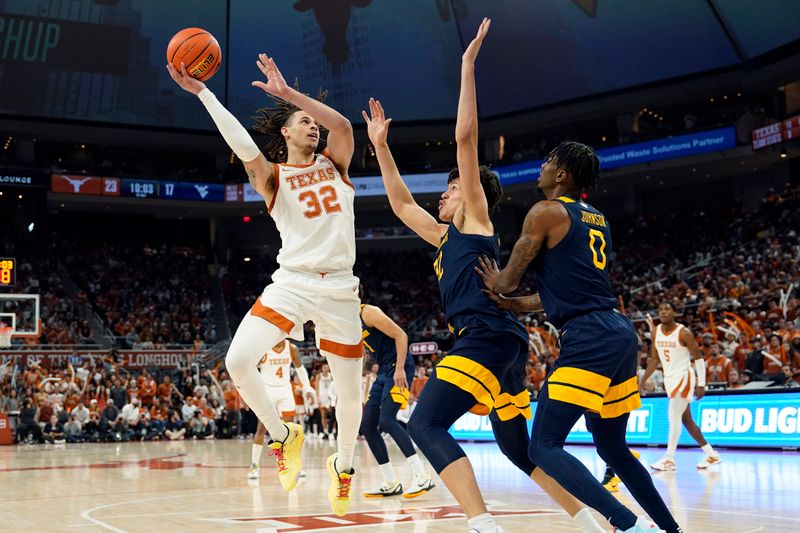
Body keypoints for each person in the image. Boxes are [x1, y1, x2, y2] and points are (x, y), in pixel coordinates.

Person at [364, 19, 606, 533]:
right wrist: (381, 146)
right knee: (519, 449)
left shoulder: (476, 218)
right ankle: (588, 519)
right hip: (504, 341)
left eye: (450, 190)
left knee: (426, 424)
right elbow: (402, 202)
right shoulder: (443, 235)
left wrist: (467, 66)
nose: (443, 197)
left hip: (487, 337)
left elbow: (466, 138)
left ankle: (481, 524)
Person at [168, 51, 363, 515]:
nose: (313, 127)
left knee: (351, 398)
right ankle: (281, 434)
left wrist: (289, 94)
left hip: (340, 287)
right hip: (292, 283)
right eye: (302, 121)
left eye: (313, 122)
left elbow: (345, 129)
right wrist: (204, 94)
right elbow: (242, 145)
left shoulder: (337, 165)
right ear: (285, 133)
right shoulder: (272, 178)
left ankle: (345, 465)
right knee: (237, 360)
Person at [476, 141, 680, 531]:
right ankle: (672, 530)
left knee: (543, 446)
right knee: (613, 448)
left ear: (562, 174)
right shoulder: (596, 217)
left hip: (588, 336)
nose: (541, 167)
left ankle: (625, 523)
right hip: (619, 331)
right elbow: (569, 288)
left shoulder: (545, 212)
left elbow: (509, 279)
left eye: (548, 162)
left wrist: (497, 284)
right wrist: (519, 306)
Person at [359, 301, 434, 499]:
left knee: (387, 420)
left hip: (398, 367)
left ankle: (421, 476)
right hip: (383, 370)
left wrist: (400, 369)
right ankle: (390, 481)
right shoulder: (349, 321)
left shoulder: (368, 312)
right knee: (367, 425)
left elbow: (401, 335)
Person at [641, 303, 721, 471]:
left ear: (674, 312)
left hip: (684, 377)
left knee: (673, 416)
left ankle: (669, 458)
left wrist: (701, 383)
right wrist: (642, 380)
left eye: (667, 309)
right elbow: (655, 359)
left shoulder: (684, 333)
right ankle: (711, 454)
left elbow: (698, 358)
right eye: (660, 310)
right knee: (686, 420)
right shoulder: (656, 332)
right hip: (670, 378)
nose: (663, 312)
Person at [248, 339, 315, 480]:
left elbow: (300, 368)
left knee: (289, 430)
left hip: (285, 391)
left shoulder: (292, 348)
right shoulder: (263, 348)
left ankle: (291, 464)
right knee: (261, 428)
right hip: (267, 391)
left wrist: (308, 388)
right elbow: (250, 369)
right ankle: (254, 465)